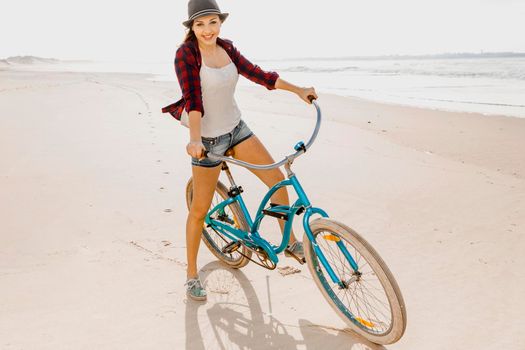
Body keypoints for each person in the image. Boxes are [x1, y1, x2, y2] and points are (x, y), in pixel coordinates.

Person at [162, 0, 318, 301]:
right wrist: (195, 141)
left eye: (212, 22)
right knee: (199, 212)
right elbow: (193, 100)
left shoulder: (228, 47)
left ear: (220, 22)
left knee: (278, 182)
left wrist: (298, 90)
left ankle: (290, 242)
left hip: (237, 129)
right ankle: (191, 275)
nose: (207, 30)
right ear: (192, 28)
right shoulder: (186, 54)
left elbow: (259, 75)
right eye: (200, 24)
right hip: (207, 140)